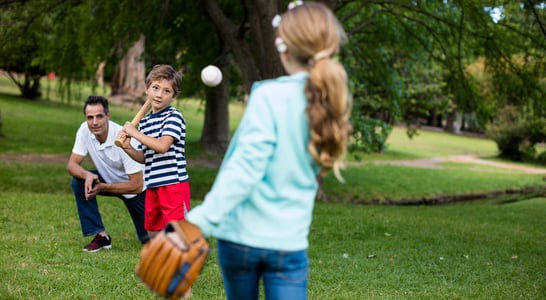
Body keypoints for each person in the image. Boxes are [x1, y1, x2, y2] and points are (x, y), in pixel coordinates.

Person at [186, 2, 352, 299]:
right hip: (288, 245)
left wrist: (200, 220)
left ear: (282, 48)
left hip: (239, 240)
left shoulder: (268, 95)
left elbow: (244, 168)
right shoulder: (331, 103)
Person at [67, 96, 149, 252]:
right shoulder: (84, 130)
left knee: (148, 240)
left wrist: (103, 187)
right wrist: (87, 176)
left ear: (108, 116)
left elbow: (137, 185)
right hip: (108, 180)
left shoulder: (123, 138)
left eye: (99, 116)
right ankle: (101, 236)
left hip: (137, 190)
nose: (94, 122)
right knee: (78, 181)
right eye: (90, 117)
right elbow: (72, 165)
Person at [118, 64, 190, 240]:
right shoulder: (146, 121)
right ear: (146, 88)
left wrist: (135, 133)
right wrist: (127, 147)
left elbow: (162, 146)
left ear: (174, 95)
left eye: (166, 91)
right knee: (152, 228)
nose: (159, 95)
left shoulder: (174, 117)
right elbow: (145, 157)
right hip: (153, 184)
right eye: (155, 88)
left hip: (173, 184)